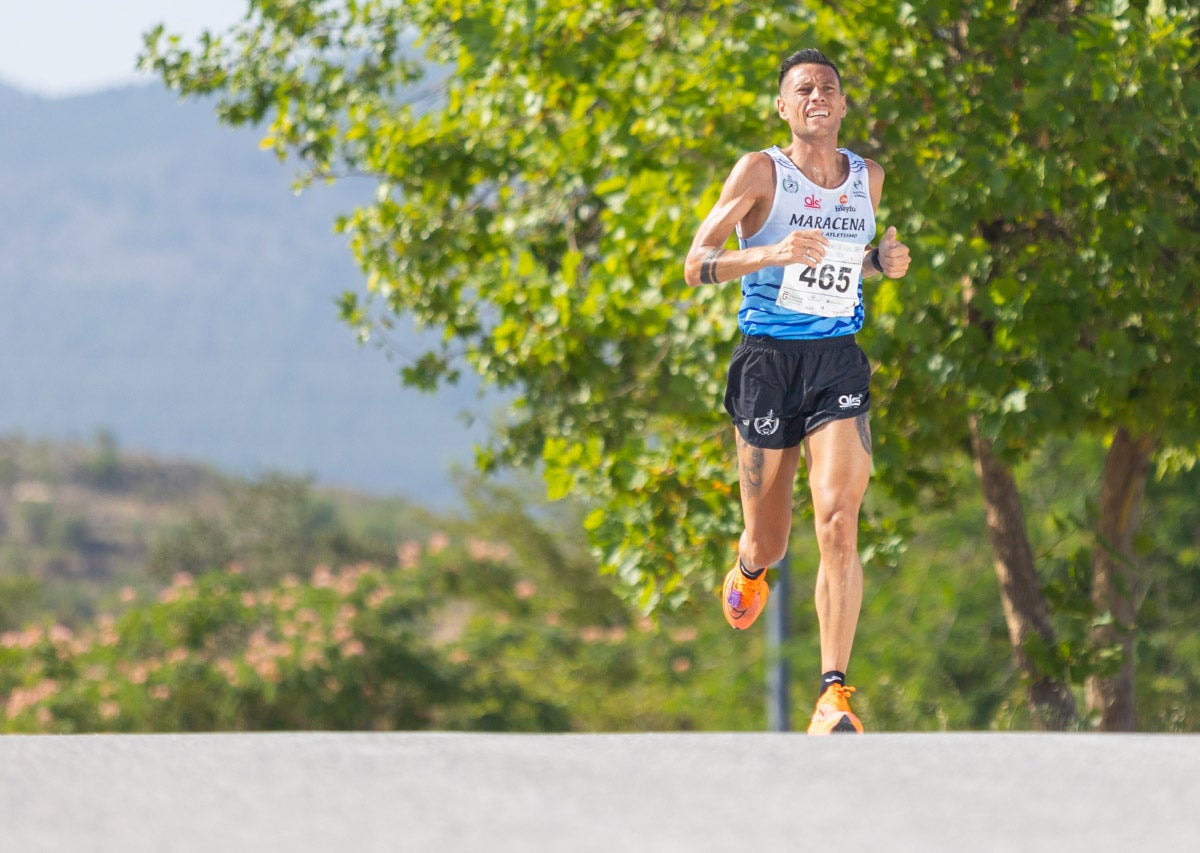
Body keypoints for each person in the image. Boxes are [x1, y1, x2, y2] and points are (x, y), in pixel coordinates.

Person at [683, 48, 910, 734]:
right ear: (783, 106)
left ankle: (833, 692)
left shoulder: (865, 178)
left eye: (829, 88)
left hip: (836, 360)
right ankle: (749, 565)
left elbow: (844, 265)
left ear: (843, 106)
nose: (818, 96)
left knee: (839, 519)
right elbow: (697, 265)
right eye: (803, 88)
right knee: (772, 538)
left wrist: (880, 262)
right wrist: (770, 253)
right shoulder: (760, 171)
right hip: (767, 363)